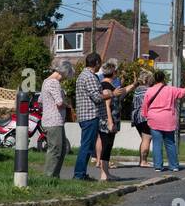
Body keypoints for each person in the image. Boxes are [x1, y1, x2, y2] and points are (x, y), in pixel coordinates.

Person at [141, 68, 185, 171]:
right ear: (164, 79)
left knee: (156, 143)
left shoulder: (149, 91)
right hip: (168, 119)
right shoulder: (171, 90)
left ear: (154, 79)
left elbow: (145, 106)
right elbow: (184, 92)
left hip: (154, 119)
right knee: (170, 143)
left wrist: (147, 116)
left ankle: (158, 166)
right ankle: (174, 166)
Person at [95, 61, 135, 181]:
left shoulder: (110, 85)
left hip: (111, 120)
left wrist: (134, 84)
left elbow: (121, 94)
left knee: (108, 146)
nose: (117, 73)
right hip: (107, 121)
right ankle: (103, 173)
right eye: (116, 71)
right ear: (113, 73)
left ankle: (107, 173)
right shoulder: (106, 87)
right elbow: (107, 105)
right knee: (106, 146)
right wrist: (110, 122)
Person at [72, 52, 105, 181]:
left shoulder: (83, 75)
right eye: (99, 63)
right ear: (96, 63)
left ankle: (81, 173)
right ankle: (79, 174)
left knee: (87, 146)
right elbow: (96, 97)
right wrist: (110, 94)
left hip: (84, 115)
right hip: (90, 115)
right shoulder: (90, 77)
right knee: (86, 146)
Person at [39, 61, 74, 179]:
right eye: (66, 77)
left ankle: (54, 176)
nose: (65, 79)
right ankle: (49, 177)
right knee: (55, 149)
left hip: (51, 120)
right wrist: (67, 104)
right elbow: (59, 102)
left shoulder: (46, 81)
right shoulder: (54, 83)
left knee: (61, 148)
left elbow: (40, 100)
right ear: (64, 72)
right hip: (54, 120)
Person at [132, 70, 155, 167]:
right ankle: (143, 161)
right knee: (147, 138)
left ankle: (142, 160)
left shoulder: (137, 89)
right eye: (150, 78)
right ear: (146, 80)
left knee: (144, 139)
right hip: (144, 116)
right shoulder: (147, 90)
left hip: (136, 117)